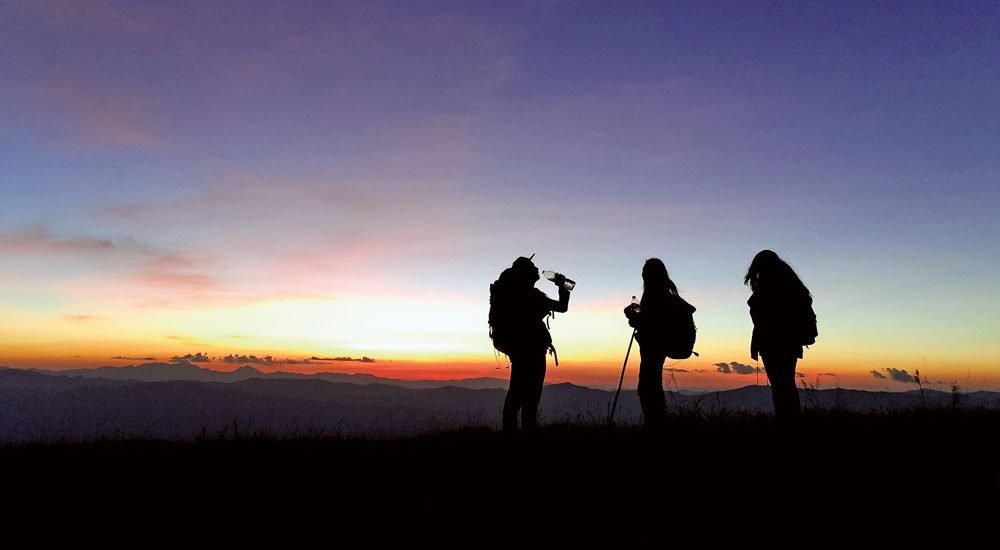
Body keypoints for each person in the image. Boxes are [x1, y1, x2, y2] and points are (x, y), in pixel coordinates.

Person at [490, 256, 570, 432]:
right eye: (533, 267)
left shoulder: (512, 293)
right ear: (525, 273)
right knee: (530, 396)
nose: (536, 269)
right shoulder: (531, 295)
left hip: (518, 349)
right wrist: (562, 286)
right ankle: (527, 433)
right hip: (532, 349)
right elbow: (562, 307)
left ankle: (510, 432)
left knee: (516, 393)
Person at [744, 249, 817, 420]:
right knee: (786, 384)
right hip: (790, 343)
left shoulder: (768, 287)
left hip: (773, 343)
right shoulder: (790, 284)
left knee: (780, 386)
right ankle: (790, 419)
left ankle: (786, 420)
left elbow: (763, 318)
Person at [623, 258, 695, 428]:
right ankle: (657, 423)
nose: (642, 274)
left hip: (655, 348)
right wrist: (636, 319)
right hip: (659, 346)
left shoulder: (656, 296)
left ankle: (656, 425)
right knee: (650, 386)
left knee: (648, 387)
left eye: (645, 271)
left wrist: (633, 318)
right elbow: (652, 323)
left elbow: (653, 326)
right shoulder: (664, 295)